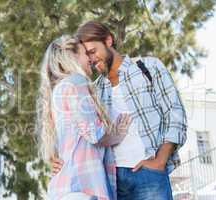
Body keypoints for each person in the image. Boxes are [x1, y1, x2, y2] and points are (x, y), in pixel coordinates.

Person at [51, 21, 187, 200]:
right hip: (112, 183)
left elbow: (175, 113)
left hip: (149, 172)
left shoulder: (149, 67)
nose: (91, 60)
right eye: (87, 56)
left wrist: (160, 160)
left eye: (93, 51)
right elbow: (78, 130)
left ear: (108, 40)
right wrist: (54, 158)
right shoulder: (93, 89)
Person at [36, 35, 132, 200]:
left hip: (66, 189)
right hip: (83, 188)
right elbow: (94, 134)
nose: (91, 58)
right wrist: (117, 134)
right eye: (85, 53)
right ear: (71, 57)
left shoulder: (59, 90)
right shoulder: (76, 82)